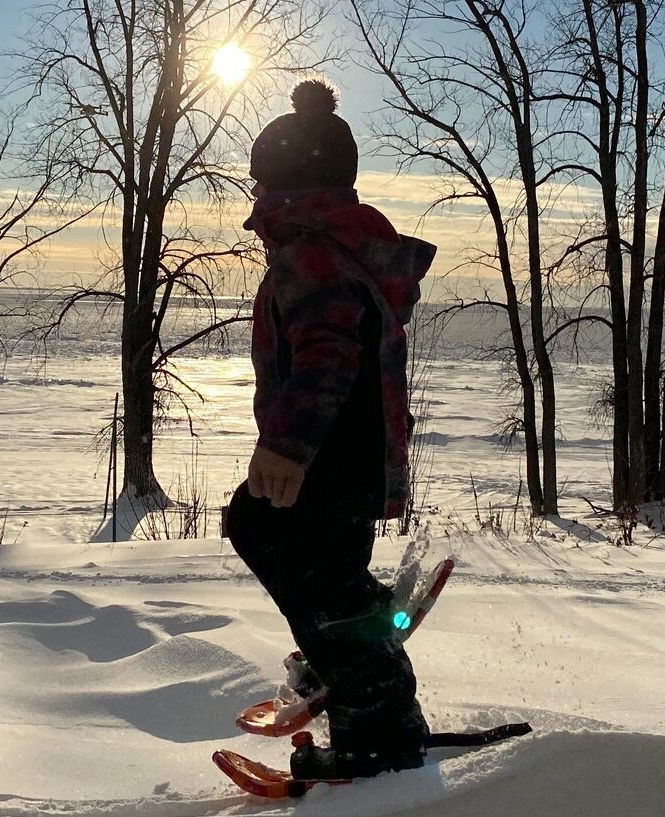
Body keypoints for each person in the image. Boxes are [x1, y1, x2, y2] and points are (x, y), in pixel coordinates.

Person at [225, 78, 436, 780]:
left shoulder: (313, 254)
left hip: (332, 455)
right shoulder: (337, 247)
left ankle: (377, 729)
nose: (254, 202)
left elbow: (327, 356)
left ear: (285, 192)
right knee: (269, 532)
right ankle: (341, 644)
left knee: (312, 572)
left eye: (259, 187)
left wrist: (287, 445)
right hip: (348, 453)